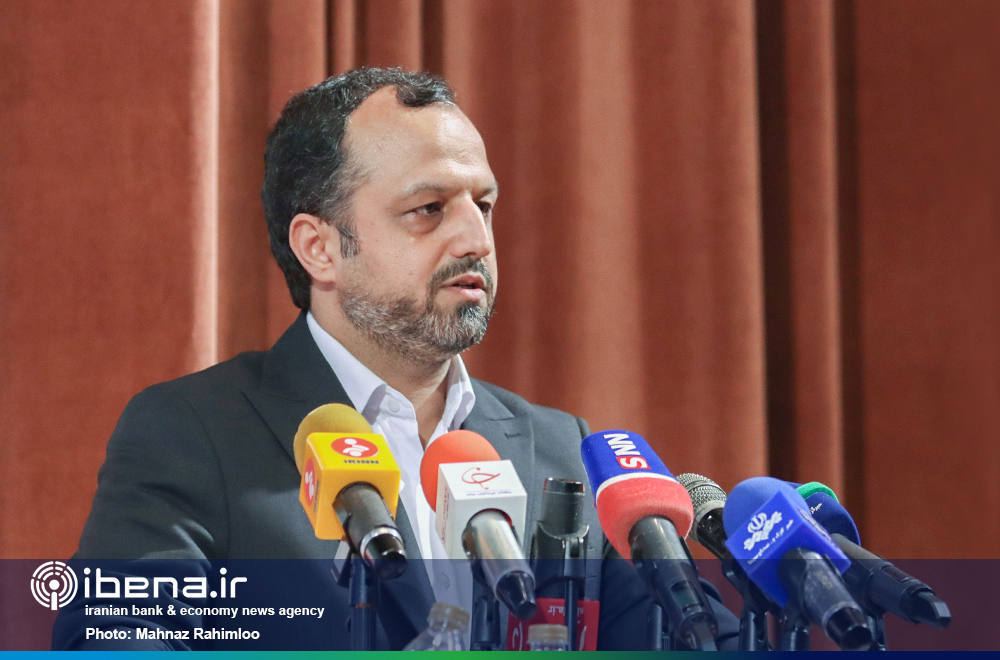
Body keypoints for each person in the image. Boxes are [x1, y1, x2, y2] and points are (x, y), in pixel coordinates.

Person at [53, 68, 737, 650]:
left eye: (484, 205)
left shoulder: (564, 450)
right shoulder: (195, 434)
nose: (475, 238)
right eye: (429, 208)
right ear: (320, 248)